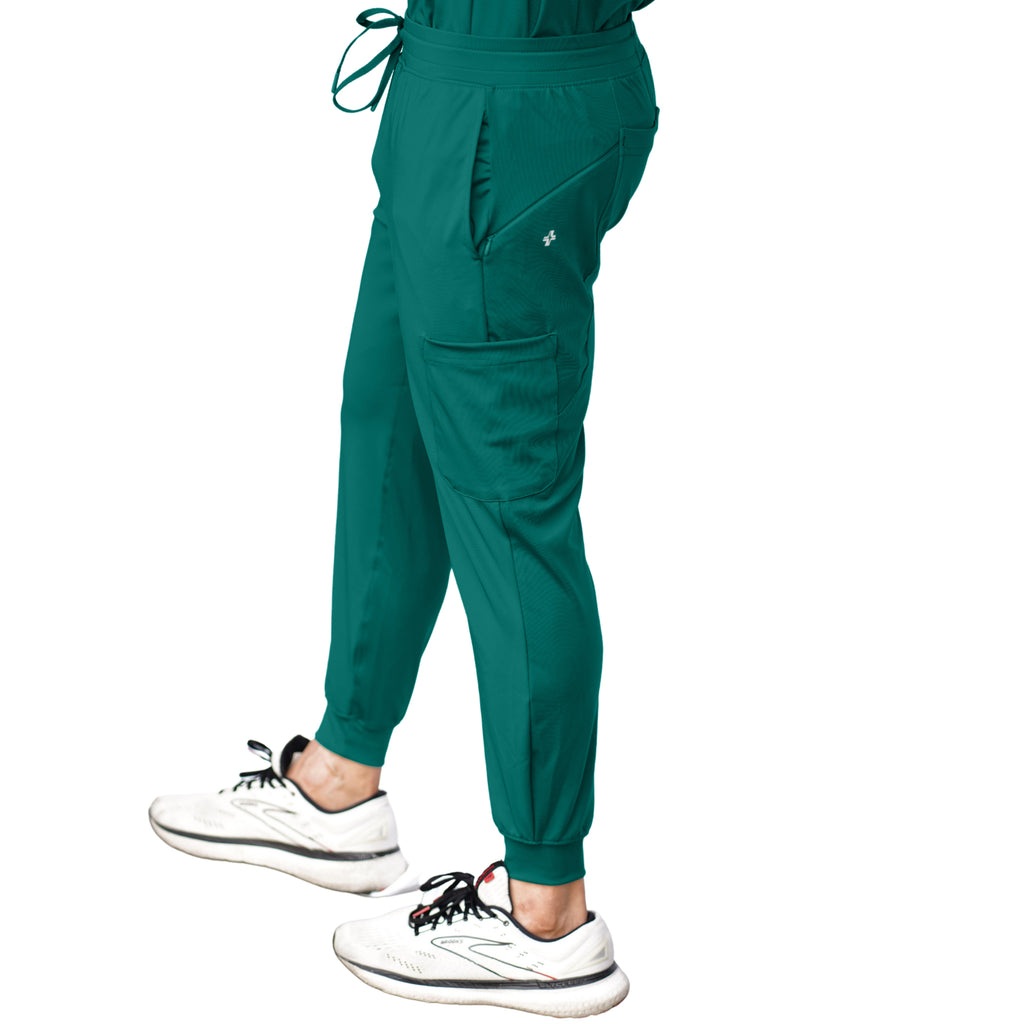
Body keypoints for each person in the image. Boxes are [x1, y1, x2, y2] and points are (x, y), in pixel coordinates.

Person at [149, 2, 659, 1016]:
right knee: (392, 426)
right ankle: (339, 780)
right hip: (451, 81)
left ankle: (545, 910)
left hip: (505, 95)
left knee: (508, 504)